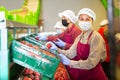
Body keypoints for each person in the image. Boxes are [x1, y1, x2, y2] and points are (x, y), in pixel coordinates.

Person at [46, 8, 108, 80]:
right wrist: (56, 49)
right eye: (81, 19)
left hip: (94, 75)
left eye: (87, 19)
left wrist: (70, 62)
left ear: (92, 21)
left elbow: (91, 63)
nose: (84, 21)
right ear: (78, 21)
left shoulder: (96, 37)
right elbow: (70, 53)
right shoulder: (80, 37)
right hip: (83, 74)